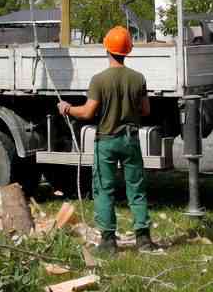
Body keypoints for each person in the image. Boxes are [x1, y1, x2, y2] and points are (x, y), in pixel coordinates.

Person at [56, 26, 154, 254]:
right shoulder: (138, 78)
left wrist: (67, 108)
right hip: (130, 140)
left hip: (106, 141)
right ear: (127, 50)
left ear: (107, 49)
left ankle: (108, 242)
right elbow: (146, 110)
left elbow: (87, 112)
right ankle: (144, 240)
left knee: (104, 190)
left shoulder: (99, 80)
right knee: (136, 189)